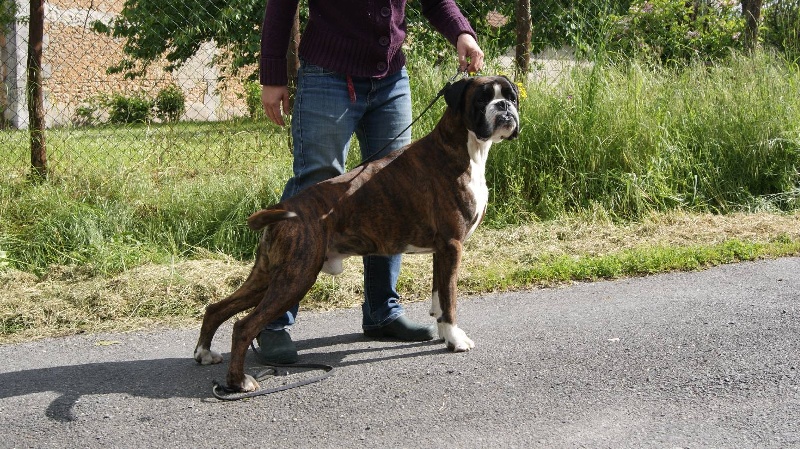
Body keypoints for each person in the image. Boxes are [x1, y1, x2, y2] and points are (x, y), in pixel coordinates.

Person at [256, 0, 485, 364]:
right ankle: (271, 323)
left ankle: (382, 312)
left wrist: (462, 33)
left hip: (391, 78)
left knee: (395, 192)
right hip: (326, 76)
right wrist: (272, 75)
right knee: (316, 183)